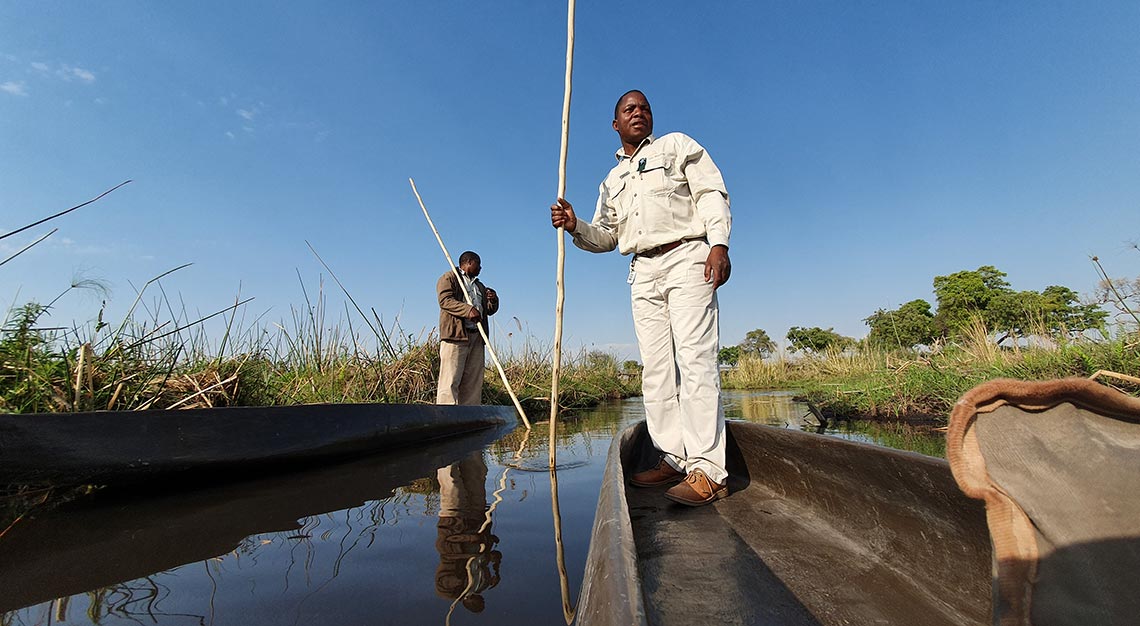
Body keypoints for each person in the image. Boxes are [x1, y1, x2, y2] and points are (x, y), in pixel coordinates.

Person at [550, 90, 732, 506]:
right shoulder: (612, 181)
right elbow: (607, 236)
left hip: (688, 255)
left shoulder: (676, 146)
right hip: (642, 272)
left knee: (695, 360)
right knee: (655, 369)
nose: (639, 113)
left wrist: (718, 244)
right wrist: (575, 224)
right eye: (629, 109)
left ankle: (708, 469)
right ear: (616, 125)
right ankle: (673, 456)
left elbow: (710, 193)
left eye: (645, 108)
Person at [436, 251, 499, 405]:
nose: (481, 268)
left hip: (477, 337)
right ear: (469, 262)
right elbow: (445, 301)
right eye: (478, 264)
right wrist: (467, 310)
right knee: (450, 378)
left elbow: (488, 311)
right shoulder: (449, 278)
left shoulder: (479, 286)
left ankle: (469, 414)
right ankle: (447, 414)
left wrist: (493, 300)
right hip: (456, 336)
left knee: (473, 381)